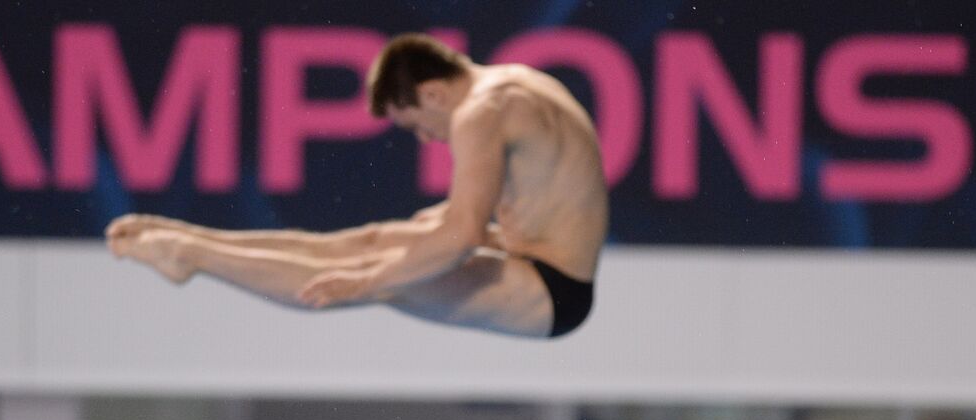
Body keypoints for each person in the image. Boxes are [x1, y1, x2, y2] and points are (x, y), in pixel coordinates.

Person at [106, 33, 605, 340]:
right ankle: (190, 239)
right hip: (535, 255)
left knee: (365, 275)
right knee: (372, 241)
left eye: (417, 125)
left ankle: (194, 257)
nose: (429, 139)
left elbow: (464, 235)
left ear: (433, 92)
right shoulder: (518, 81)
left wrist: (368, 282)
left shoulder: (480, 112)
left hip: (553, 290)